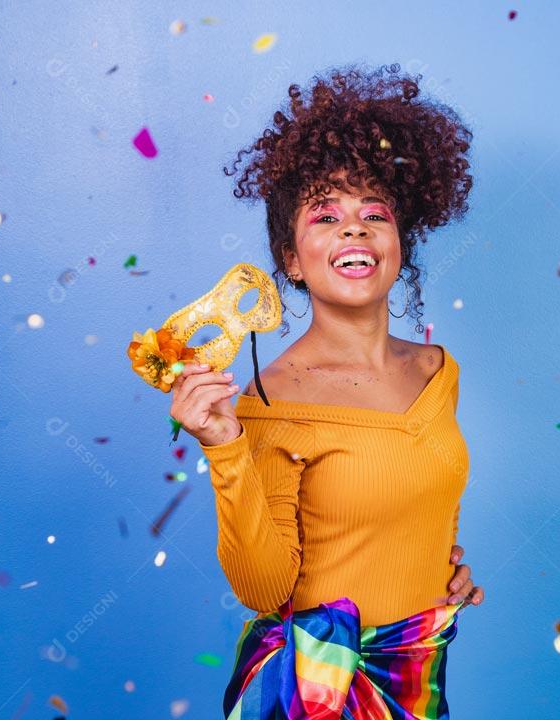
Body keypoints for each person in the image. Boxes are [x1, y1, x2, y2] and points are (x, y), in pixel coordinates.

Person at [171, 62, 482, 719]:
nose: (354, 227)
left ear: (401, 241)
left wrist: (442, 570)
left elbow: (420, 492)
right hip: (324, 693)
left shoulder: (437, 371)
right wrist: (225, 447)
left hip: (421, 669)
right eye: (325, 216)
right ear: (291, 258)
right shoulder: (271, 404)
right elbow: (265, 587)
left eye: (375, 213)